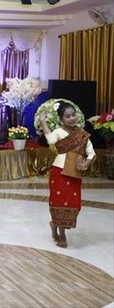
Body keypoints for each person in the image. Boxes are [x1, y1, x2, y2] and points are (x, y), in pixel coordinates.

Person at [39, 100, 95, 248]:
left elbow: (91, 153)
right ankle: (62, 235)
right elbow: (50, 140)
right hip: (59, 172)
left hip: (75, 174)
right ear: (61, 119)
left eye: (73, 115)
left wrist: (85, 164)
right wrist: (42, 121)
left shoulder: (82, 134)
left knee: (73, 204)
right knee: (59, 203)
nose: (71, 118)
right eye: (67, 116)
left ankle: (55, 225)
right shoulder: (58, 132)